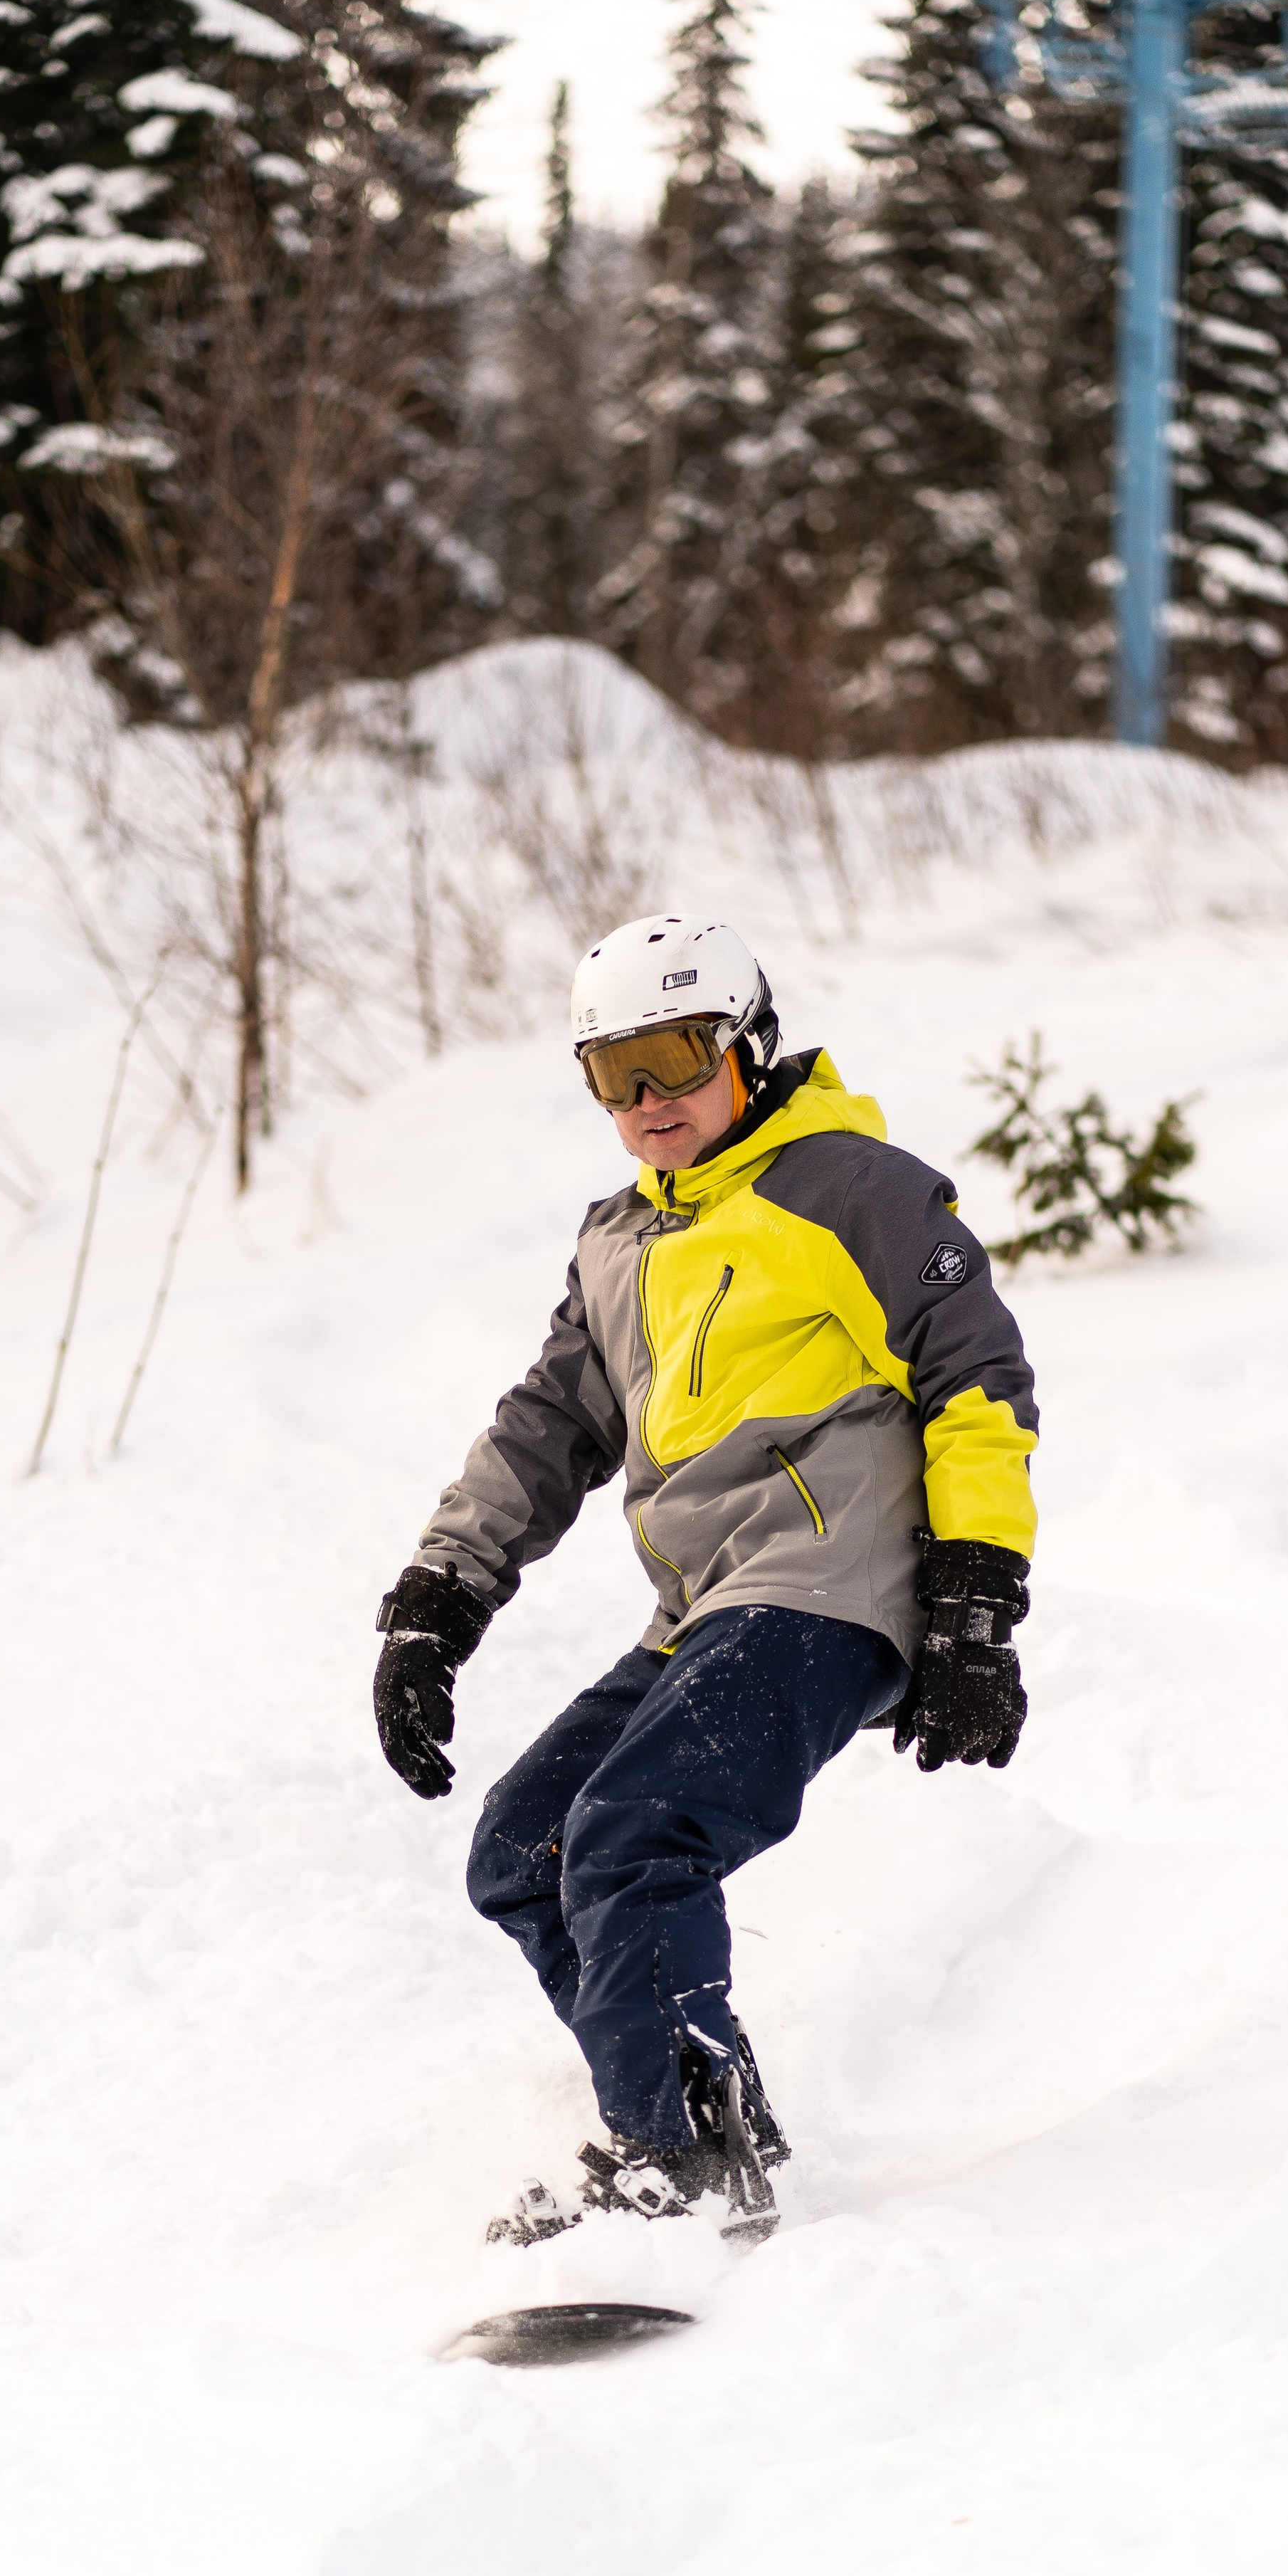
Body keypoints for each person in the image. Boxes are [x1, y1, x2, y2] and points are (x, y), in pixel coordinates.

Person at [372, 913, 1039, 2244]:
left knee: (636, 1836)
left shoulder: (855, 1189)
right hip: (708, 1611)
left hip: (834, 1588)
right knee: (528, 1849)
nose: (647, 1104)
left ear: (748, 1045)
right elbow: (545, 1429)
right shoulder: (621, 1242)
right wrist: (437, 1604)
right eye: (611, 1076)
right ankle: (702, 2116)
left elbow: (980, 1386)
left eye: (673, 1059)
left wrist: (972, 1608)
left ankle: (671, 2164)